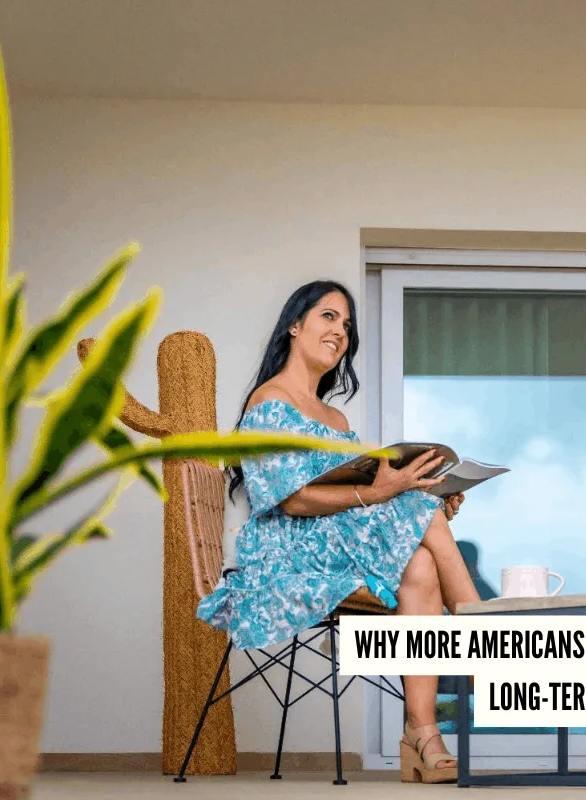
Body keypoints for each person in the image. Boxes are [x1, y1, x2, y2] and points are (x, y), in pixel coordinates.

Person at [196, 280, 477, 784]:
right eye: (328, 317)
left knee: (420, 558)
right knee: (415, 508)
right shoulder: (269, 402)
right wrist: (391, 496)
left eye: (346, 324)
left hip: (335, 542)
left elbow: (357, 495)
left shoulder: (336, 418)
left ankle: (422, 732)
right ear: (294, 324)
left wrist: (422, 499)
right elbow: (291, 499)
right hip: (286, 552)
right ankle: (483, 628)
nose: (340, 332)